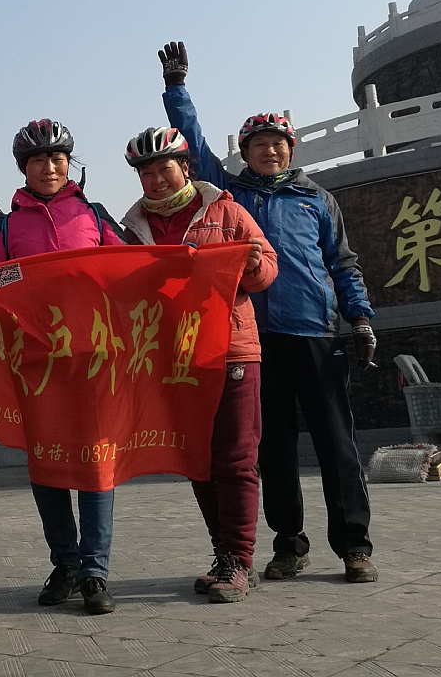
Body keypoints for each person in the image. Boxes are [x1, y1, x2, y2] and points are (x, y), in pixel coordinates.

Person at [156, 42, 380, 584]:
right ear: (246, 152)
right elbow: (194, 146)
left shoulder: (317, 200)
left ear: (290, 149)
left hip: (316, 334)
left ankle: (354, 546)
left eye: (278, 144)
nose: (270, 152)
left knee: (337, 446)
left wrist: (360, 317)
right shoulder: (228, 194)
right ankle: (289, 544)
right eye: (259, 145)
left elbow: (343, 263)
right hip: (256, 341)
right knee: (273, 449)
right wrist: (177, 89)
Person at [117, 126, 277, 603]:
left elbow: (267, 269)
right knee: (199, 460)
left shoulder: (225, 211)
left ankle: (239, 560)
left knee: (236, 459)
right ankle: (224, 554)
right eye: (146, 173)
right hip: (175, 354)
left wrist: (251, 263)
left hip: (230, 347)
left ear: (184, 168)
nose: (156, 180)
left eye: (163, 169)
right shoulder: (133, 229)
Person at [0, 119, 126, 615]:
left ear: (69, 162)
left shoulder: (94, 215)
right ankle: (64, 563)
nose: (49, 167)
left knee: (96, 463)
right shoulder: (9, 227)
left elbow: (130, 268)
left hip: (93, 358)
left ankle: (94, 571)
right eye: (38, 160)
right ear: (24, 169)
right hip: (37, 364)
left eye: (57, 158)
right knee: (46, 464)